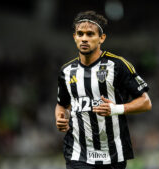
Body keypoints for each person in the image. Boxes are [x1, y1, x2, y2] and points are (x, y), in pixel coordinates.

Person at [55, 10, 152, 169]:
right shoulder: (66, 71)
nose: (84, 38)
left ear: (101, 38)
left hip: (113, 154)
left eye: (90, 34)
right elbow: (62, 104)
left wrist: (116, 108)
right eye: (80, 34)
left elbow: (146, 102)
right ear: (75, 37)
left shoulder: (118, 65)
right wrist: (60, 118)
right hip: (78, 153)